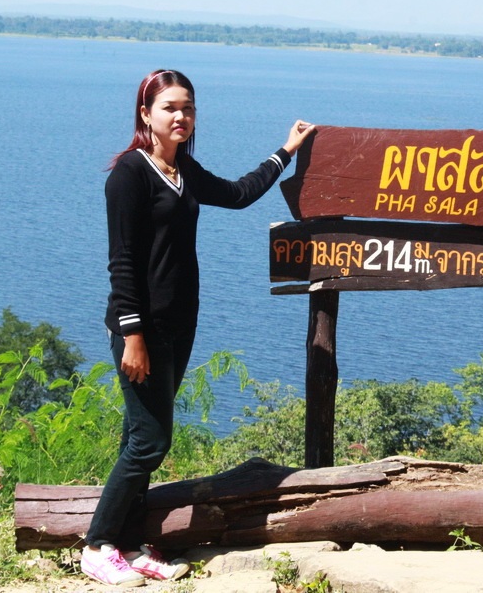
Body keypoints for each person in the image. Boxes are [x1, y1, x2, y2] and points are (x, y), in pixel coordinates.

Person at [81, 68, 316, 587]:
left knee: (138, 437)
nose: (181, 116)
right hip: (142, 331)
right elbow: (121, 262)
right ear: (145, 113)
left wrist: (285, 152)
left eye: (187, 107)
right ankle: (97, 546)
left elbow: (237, 193)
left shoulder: (181, 169)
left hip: (178, 324)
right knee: (150, 441)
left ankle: (129, 544)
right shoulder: (129, 174)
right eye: (169, 107)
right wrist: (132, 337)